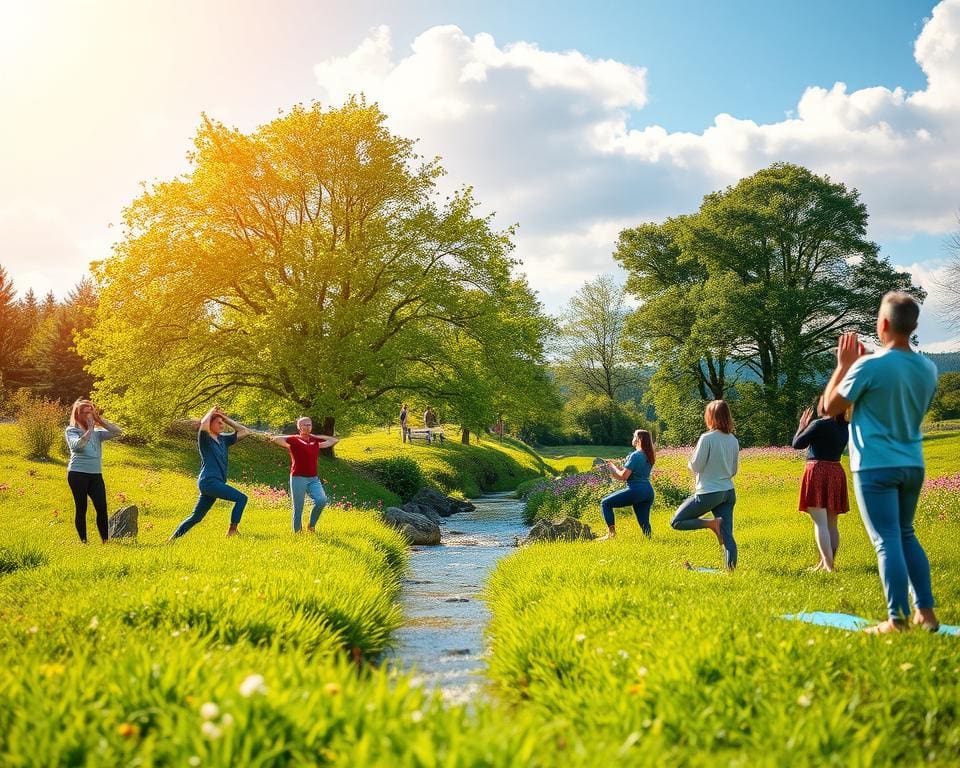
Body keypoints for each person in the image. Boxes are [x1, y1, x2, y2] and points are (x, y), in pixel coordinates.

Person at [822, 292, 940, 634]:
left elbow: (829, 408)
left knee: (887, 539)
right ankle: (926, 614)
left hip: (875, 464)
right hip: (912, 464)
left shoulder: (868, 365)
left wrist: (843, 366)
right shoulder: (928, 368)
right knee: (905, 533)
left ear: (883, 324)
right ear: (914, 326)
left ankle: (897, 619)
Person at [670, 400, 739, 570]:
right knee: (727, 534)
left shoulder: (706, 438)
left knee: (676, 521)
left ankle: (711, 524)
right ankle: (731, 572)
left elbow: (696, 466)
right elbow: (733, 471)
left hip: (709, 491)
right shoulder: (733, 440)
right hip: (728, 492)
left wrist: (690, 462)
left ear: (711, 417)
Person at [169, 406, 252, 540]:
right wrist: (211, 411)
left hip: (215, 483)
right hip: (209, 481)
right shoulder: (205, 439)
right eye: (218, 422)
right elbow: (203, 424)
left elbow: (245, 431)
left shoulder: (223, 440)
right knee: (242, 498)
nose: (222, 425)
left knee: (196, 517)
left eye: (222, 423)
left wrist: (225, 418)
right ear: (210, 423)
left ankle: (171, 540)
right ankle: (232, 530)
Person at [791, 397, 850, 572]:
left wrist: (802, 426)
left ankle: (829, 566)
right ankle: (825, 563)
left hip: (817, 471)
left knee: (820, 524)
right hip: (836, 471)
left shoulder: (818, 425)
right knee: (832, 524)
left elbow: (797, 444)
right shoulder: (844, 426)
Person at [64, 399, 123, 544]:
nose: (89, 416)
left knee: (102, 507)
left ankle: (105, 541)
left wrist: (99, 420)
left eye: (91, 412)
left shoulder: (98, 433)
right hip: (78, 474)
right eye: (85, 413)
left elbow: (117, 432)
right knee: (81, 507)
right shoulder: (72, 431)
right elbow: (77, 446)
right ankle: (84, 541)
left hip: (95, 475)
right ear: (78, 416)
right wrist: (89, 430)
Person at [269, 416, 339, 533]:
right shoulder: (294, 440)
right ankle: (297, 532)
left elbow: (334, 440)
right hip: (298, 478)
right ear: (299, 427)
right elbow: (275, 439)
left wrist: (315, 436)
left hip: (313, 478)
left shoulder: (315, 441)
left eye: (309, 424)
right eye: (305, 425)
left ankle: (311, 525)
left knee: (321, 500)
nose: (308, 426)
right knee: (298, 508)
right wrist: (296, 435)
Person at [598, 429, 656, 540]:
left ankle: (611, 534)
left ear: (639, 439)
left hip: (636, 490)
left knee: (605, 503)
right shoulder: (649, 455)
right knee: (644, 522)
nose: (633, 439)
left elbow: (623, 477)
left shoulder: (635, 455)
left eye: (634, 436)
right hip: (648, 492)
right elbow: (628, 474)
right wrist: (614, 472)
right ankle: (650, 540)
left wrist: (612, 467)